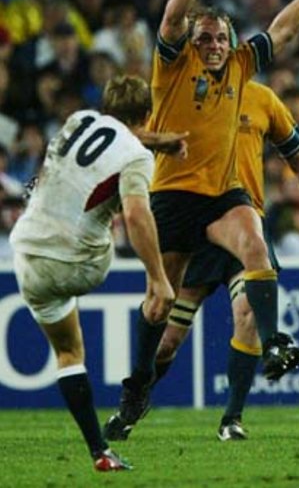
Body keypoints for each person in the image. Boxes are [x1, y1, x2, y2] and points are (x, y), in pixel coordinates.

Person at [104, 0, 299, 441]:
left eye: (220, 38)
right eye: (205, 38)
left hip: (223, 197)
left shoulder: (241, 67)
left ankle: (266, 354)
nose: (213, 45)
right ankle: (137, 388)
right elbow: (171, 19)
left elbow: (282, 31)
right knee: (159, 307)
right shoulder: (172, 66)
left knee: (254, 242)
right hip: (172, 197)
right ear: (192, 44)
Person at [148, 79, 299, 441]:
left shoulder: (263, 99)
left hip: (245, 224)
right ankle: (135, 399)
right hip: (196, 227)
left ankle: (232, 417)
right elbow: (144, 144)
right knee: (167, 341)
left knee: (247, 312)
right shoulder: (183, 91)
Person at [9, 75, 182, 473]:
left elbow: (114, 139)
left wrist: (159, 140)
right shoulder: (137, 156)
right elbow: (136, 214)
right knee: (117, 213)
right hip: (81, 262)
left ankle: (100, 452)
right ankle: (106, 443)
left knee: (69, 353)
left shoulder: (79, 120)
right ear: (147, 114)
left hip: (26, 254)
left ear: (107, 107)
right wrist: (158, 277)